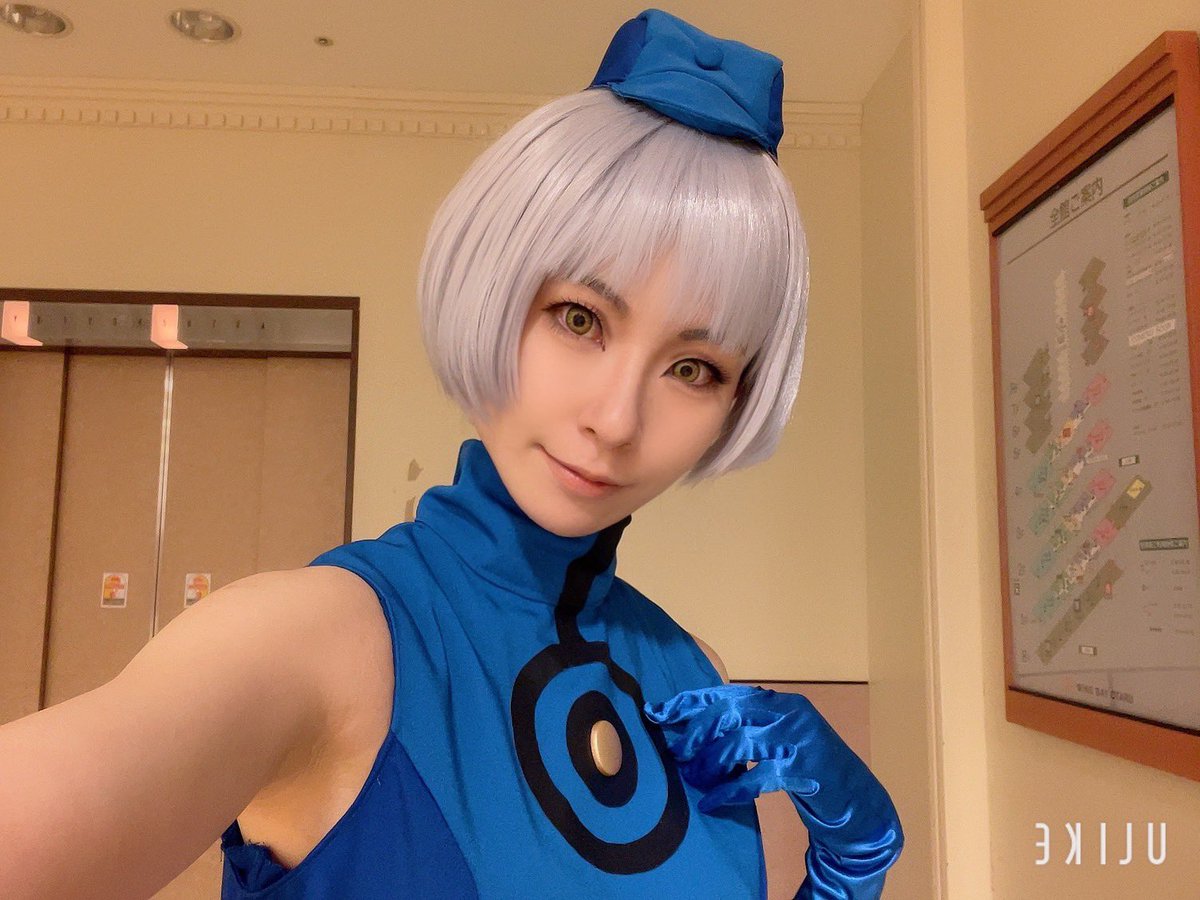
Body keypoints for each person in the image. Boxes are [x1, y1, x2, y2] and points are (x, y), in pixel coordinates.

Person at [0, 10, 902, 899]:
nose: (616, 418)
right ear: (496, 292)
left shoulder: (692, 674)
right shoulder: (314, 642)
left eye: (693, 368)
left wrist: (849, 863)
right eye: (580, 318)